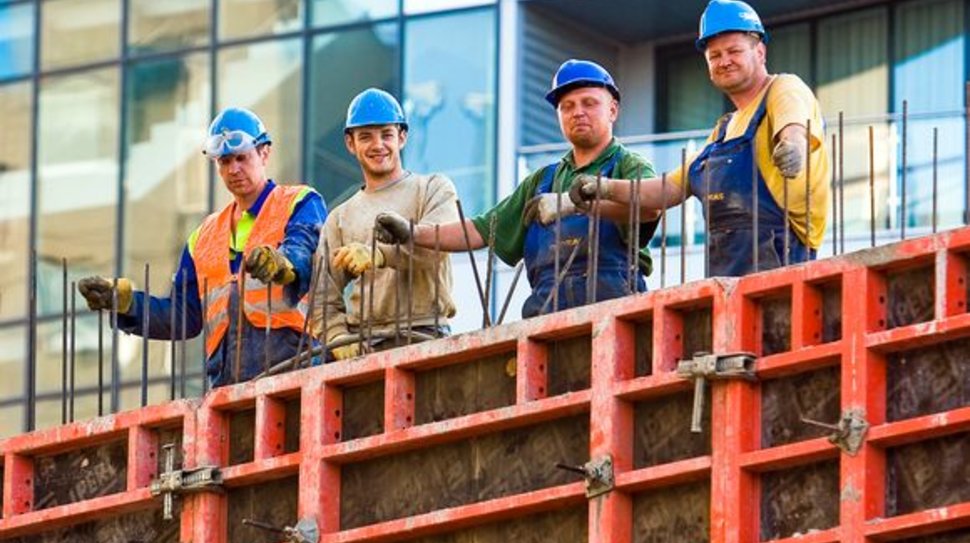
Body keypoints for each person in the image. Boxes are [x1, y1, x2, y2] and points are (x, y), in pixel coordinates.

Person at [375, 59, 659, 319]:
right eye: (567, 106)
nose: (578, 113)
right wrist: (414, 233)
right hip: (549, 317)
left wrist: (578, 203)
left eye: (589, 103)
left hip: (615, 312)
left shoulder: (628, 166)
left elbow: (649, 206)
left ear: (613, 110)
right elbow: (480, 230)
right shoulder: (542, 182)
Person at [570, 0, 829, 276]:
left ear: (760, 52)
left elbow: (794, 126)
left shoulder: (783, 88)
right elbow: (667, 189)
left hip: (780, 263)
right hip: (726, 274)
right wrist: (605, 188)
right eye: (715, 55)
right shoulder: (723, 131)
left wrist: (793, 147)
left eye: (734, 51)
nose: (724, 61)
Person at [78, 107, 327, 388]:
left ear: (264, 153)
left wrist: (282, 265)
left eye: (242, 158)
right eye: (225, 161)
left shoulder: (299, 202)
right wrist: (126, 304)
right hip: (229, 386)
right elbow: (183, 317)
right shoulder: (204, 236)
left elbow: (303, 249)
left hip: (294, 369)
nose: (234, 169)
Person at [315, 88, 459, 361]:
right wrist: (336, 335)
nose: (377, 145)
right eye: (365, 137)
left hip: (425, 335)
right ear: (350, 143)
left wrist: (381, 255)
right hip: (363, 347)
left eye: (386, 135)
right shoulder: (340, 218)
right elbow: (322, 293)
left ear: (402, 137)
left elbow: (437, 246)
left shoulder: (432, 189)